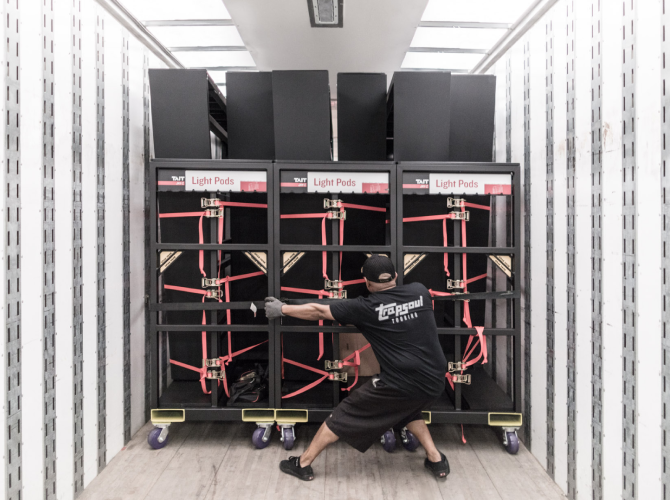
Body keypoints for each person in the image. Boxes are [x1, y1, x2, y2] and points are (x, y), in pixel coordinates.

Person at [264, 254, 450, 481]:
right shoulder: (419, 291)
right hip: (435, 379)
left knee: (342, 416)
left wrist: (282, 309)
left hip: (400, 383)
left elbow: (319, 310)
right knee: (409, 409)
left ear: (367, 283)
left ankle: (303, 463)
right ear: (396, 276)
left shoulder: (366, 308)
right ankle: (436, 459)